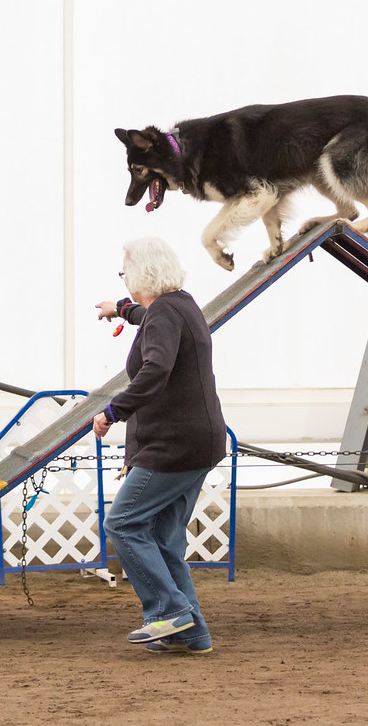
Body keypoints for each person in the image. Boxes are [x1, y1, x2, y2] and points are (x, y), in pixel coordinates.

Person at [92, 237, 226, 655]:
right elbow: (148, 317)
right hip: (198, 443)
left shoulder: (164, 314)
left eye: (124, 273)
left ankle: (168, 611)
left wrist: (113, 412)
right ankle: (193, 634)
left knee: (123, 523)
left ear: (140, 274)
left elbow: (155, 370)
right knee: (166, 541)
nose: (124, 278)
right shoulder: (181, 305)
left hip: (173, 446)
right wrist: (122, 308)